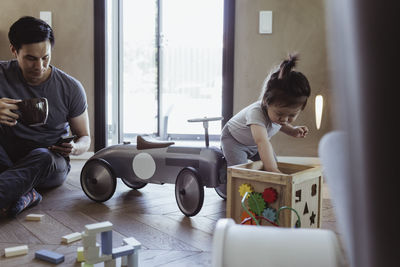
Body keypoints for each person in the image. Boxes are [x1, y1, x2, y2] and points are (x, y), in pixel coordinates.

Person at [0, 16, 90, 217]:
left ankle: (14, 191)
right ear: (14, 50)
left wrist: (75, 148)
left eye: (45, 57)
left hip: (49, 162)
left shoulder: (71, 88)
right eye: (31, 58)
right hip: (8, 158)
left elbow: (85, 137)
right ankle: (25, 194)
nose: (39, 66)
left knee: (42, 156)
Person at [221, 54, 311, 173]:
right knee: (239, 172)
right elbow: (262, 142)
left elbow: (281, 125)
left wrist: (293, 130)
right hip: (234, 141)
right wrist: (272, 169)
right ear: (266, 101)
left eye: (292, 115)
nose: (284, 119)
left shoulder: (278, 117)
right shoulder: (256, 113)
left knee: (273, 162)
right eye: (280, 114)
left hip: (254, 143)